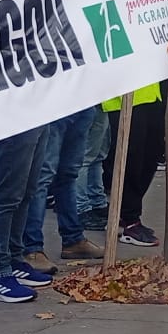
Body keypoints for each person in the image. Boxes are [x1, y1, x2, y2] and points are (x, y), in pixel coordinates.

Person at [19, 106, 104, 275]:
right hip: (54, 102)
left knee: (69, 173)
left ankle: (73, 239)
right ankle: (31, 248)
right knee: (42, 176)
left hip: (81, 101)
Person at [0, 122, 56, 303]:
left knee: (26, 193)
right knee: (7, 196)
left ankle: (14, 260)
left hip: (37, 115)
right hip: (16, 119)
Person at [104, 83, 166, 246]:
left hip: (151, 91)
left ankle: (125, 213)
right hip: (121, 96)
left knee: (153, 152)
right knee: (132, 158)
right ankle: (130, 219)